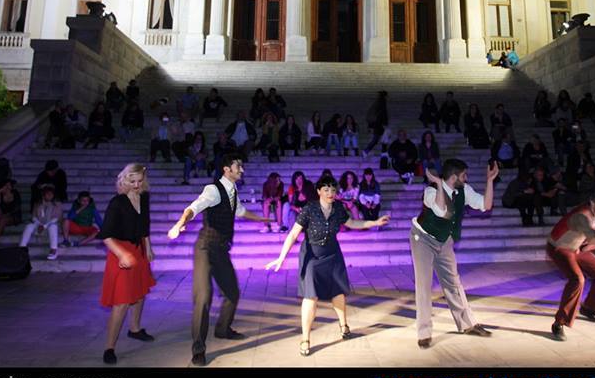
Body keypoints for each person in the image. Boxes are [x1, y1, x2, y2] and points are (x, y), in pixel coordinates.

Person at [166, 154, 273, 366]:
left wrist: (261, 218)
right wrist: (179, 224)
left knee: (232, 293)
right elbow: (193, 208)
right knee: (203, 297)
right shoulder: (213, 190)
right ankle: (198, 349)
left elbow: (240, 211)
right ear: (226, 169)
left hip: (221, 250)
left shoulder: (233, 191)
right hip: (206, 247)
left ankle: (223, 329)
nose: (241, 170)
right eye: (238, 166)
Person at [265, 175, 390, 356]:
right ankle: (305, 338)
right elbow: (293, 234)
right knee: (310, 297)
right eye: (326, 190)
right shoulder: (309, 209)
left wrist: (374, 222)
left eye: (333, 190)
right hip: (312, 256)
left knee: (337, 292)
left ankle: (344, 326)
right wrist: (281, 257)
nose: (330, 193)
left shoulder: (338, 208)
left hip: (332, 254)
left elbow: (352, 222)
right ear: (319, 191)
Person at [412, 159, 499, 348]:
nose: (466, 178)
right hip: (423, 239)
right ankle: (424, 332)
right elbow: (442, 211)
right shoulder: (431, 191)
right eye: (463, 175)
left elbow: (486, 204)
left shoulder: (463, 190)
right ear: (453, 177)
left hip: (445, 240)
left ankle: (467, 324)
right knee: (424, 285)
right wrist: (437, 183)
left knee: (453, 283)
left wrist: (490, 181)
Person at [546, 186, 595, 341]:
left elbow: (592, 241)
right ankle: (559, 323)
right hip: (559, 248)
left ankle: (589, 308)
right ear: (592, 202)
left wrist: (586, 247)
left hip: (576, 247)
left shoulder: (594, 212)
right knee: (577, 279)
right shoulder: (582, 216)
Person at [99, 163, 156, 365]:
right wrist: (122, 254)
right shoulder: (118, 202)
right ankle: (109, 347)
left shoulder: (144, 197)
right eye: (132, 181)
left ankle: (135, 329)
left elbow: (145, 224)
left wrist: (147, 246)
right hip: (120, 251)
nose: (136, 185)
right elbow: (105, 235)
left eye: (140, 181)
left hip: (138, 249)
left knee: (140, 291)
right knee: (122, 302)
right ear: (124, 180)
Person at [19, 184, 62, 260]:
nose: (50, 196)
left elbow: (56, 218)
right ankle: (22, 248)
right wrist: (39, 224)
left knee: (53, 226)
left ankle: (54, 249)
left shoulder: (57, 204)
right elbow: (34, 217)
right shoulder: (37, 204)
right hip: (39, 225)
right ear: (43, 194)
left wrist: (44, 226)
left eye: (51, 194)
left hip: (49, 226)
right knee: (29, 226)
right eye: (48, 194)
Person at [0, 178, 22, 245]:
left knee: (3, 219)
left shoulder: (15, 193)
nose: (8, 187)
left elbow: (17, 207)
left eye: (9, 185)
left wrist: (7, 214)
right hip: (2, 215)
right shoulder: (0, 194)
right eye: (6, 185)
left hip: (13, 216)